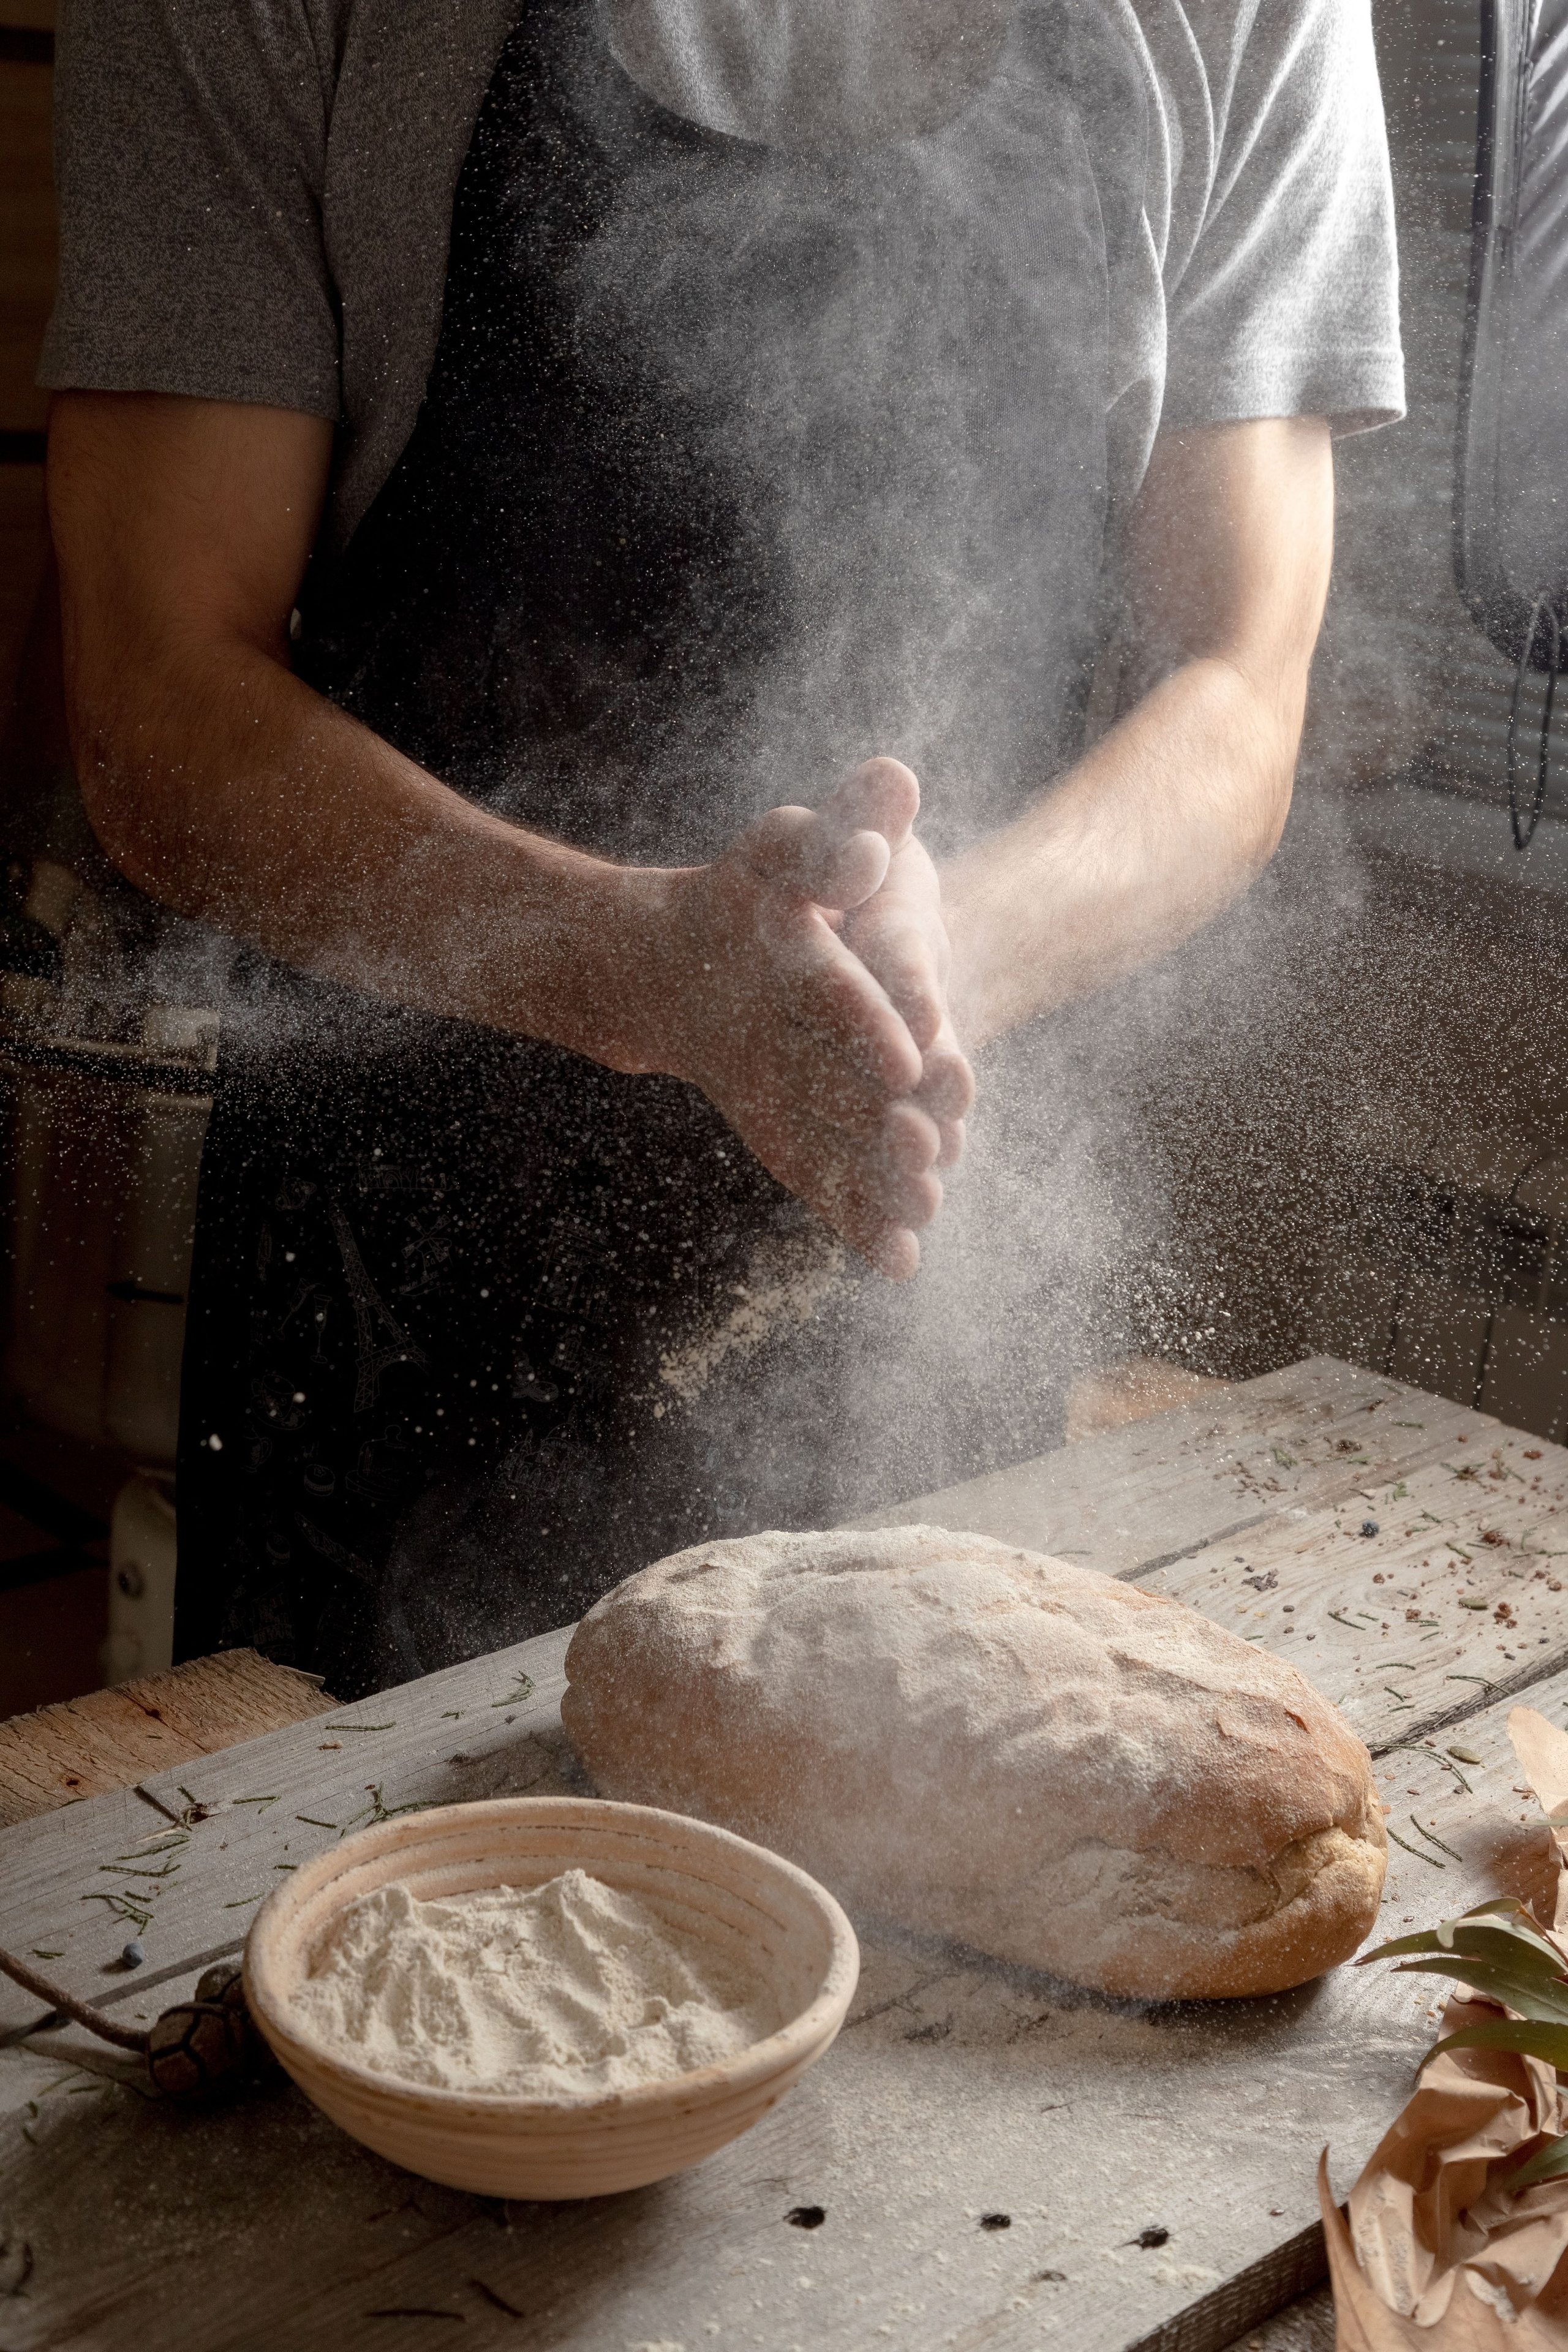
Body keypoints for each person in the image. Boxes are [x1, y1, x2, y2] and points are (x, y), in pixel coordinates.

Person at [41, 0, 1402, 1696]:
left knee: (915, 1886)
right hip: (390, 1298)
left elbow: (1238, 690)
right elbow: (159, 707)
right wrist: (645, 971)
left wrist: (933, 966)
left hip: (910, 1227)